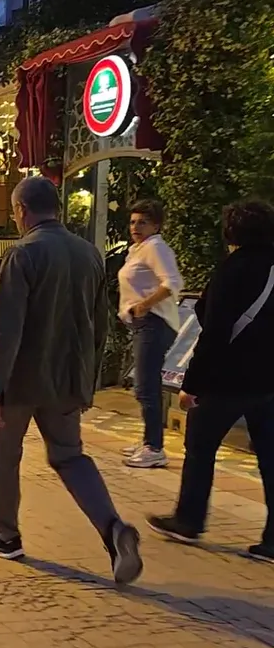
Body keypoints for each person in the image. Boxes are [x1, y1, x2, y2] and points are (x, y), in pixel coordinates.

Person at [0, 176, 143, 585]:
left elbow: (7, 330)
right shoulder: (89, 254)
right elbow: (100, 325)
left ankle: (6, 535)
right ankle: (113, 529)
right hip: (68, 377)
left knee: (5, 454)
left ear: (21, 211)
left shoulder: (23, 254)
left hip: (22, 379)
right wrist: (89, 381)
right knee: (70, 456)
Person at [148, 198, 274, 563]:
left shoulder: (233, 270)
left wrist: (192, 384)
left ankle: (188, 520)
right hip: (268, 382)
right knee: (270, 458)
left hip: (227, 379)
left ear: (231, 231)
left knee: (200, 447)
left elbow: (215, 331)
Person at [118, 199, 185, 468]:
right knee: (144, 385)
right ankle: (149, 440)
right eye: (133, 222)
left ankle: (154, 447)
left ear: (156, 226)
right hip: (143, 324)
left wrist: (144, 305)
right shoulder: (139, 249)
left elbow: (173, 282)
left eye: (143, 222)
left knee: (146, 386)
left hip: (154, 323)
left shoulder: (156, 247)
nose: (135, 227)